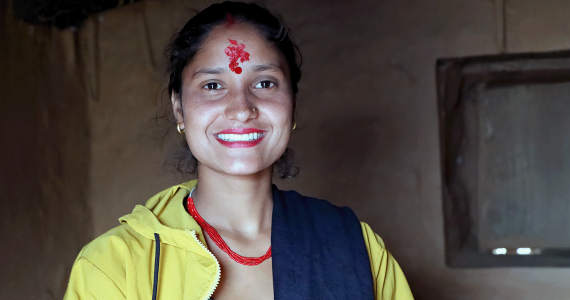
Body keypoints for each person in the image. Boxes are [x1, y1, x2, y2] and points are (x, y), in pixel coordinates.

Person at [64, 2, 413, 299]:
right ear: (179, 108)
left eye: (264, 83)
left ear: (292, 103)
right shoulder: (114, 266)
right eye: (213, 85)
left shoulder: (357, 247)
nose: (241, 108)